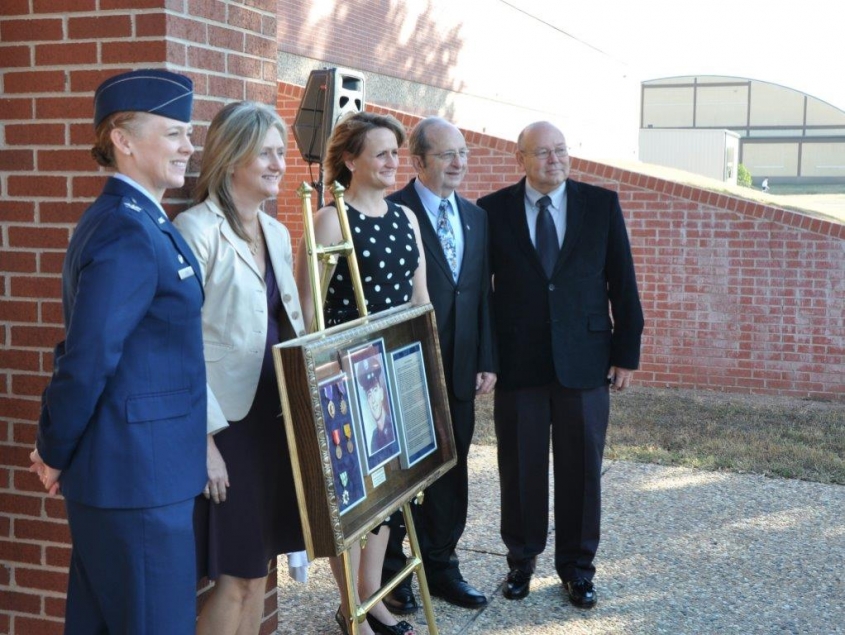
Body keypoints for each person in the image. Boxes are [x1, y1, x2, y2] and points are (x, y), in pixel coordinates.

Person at [28, 69, 206, 633]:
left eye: (188, 132)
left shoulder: (143, 220)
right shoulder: (126, 229)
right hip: (136, 479)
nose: (188, 145)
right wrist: (54, 450)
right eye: (174, 133)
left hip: (143, 472)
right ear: (123, 140)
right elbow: (87, 357)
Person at [477, 121, 644, 609]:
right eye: (543, 153)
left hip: (586, 362)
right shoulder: (492, 211)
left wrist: (625, 353)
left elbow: (623, 282)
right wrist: (487, 359)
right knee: (521, 467)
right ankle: (521, 561)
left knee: (582, 471)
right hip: (518, 363)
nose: (555, 160)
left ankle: (577, 568)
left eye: (561, 151)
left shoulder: (601, 204)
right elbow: (484, 297)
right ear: (520, 158)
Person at [172, 101, 308, 635]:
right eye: (266, 154)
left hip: (276, 421)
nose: (279, 163)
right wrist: (205, 441)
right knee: (236, 576)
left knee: (260, 572)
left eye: (281, 152)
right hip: (229, 428)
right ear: (231, 160)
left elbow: (291, 323)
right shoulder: (195, 229)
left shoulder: (274, 231)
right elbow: (180, 344)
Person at [296, 111, 429, 635]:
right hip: (345, 378)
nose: (392, 161)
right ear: (350, 160)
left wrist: (423, 370)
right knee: (351, 497)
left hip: (396, 373)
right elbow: (307, 309)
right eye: (381, 153)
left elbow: (420, 300)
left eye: (396, 153)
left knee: (388, 494)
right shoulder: (331, 219)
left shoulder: (407, 219)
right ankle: (353, 603)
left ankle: (370, 596)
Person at [381, 117, 496, 612]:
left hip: (462, 368)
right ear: (419, 160)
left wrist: (486, 358)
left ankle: (441, 566)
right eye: (447, 155)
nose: (458, 163)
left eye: (463, 153)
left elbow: (480, 296)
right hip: (407, 367)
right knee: (400, 476)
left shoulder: (476, 217)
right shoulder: (391, 211)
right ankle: (391, 574)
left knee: (451, 469)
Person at [356, 357, 395, 453]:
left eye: (375, 390)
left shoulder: (394, 428)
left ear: (381, 393)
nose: (373, 400)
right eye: (369, 394)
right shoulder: (374, 439)